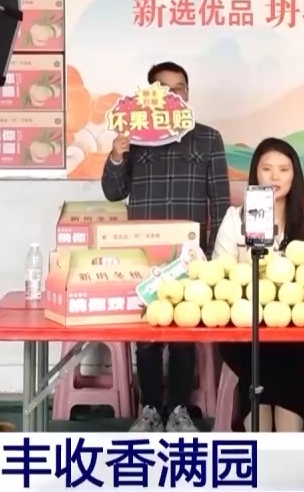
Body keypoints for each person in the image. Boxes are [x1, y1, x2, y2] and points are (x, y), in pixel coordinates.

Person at [102, 61, 231, 432]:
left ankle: (177, 409)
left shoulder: (208, 138)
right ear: (150, 96)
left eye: (180, 88)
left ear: (188, 94)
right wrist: (117, 155)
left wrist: (213, 256)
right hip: (143, 255)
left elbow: (220, 202)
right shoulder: (134, 137)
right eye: (165, 89)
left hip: (189, 256)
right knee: (147, 335)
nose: (174, 95)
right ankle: (149, 410)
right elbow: (113, 192)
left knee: (182, 334)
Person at [213, 138, 304, 432]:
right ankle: (271, 439)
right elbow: (219, 273)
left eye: (284, 170)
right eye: (267, 169)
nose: (275, 176)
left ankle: (267, 439)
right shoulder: (234, 219)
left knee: (282, 358)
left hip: (293, 330)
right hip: (244, 328)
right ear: (256, 174)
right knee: (257, 356)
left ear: (294, 176)